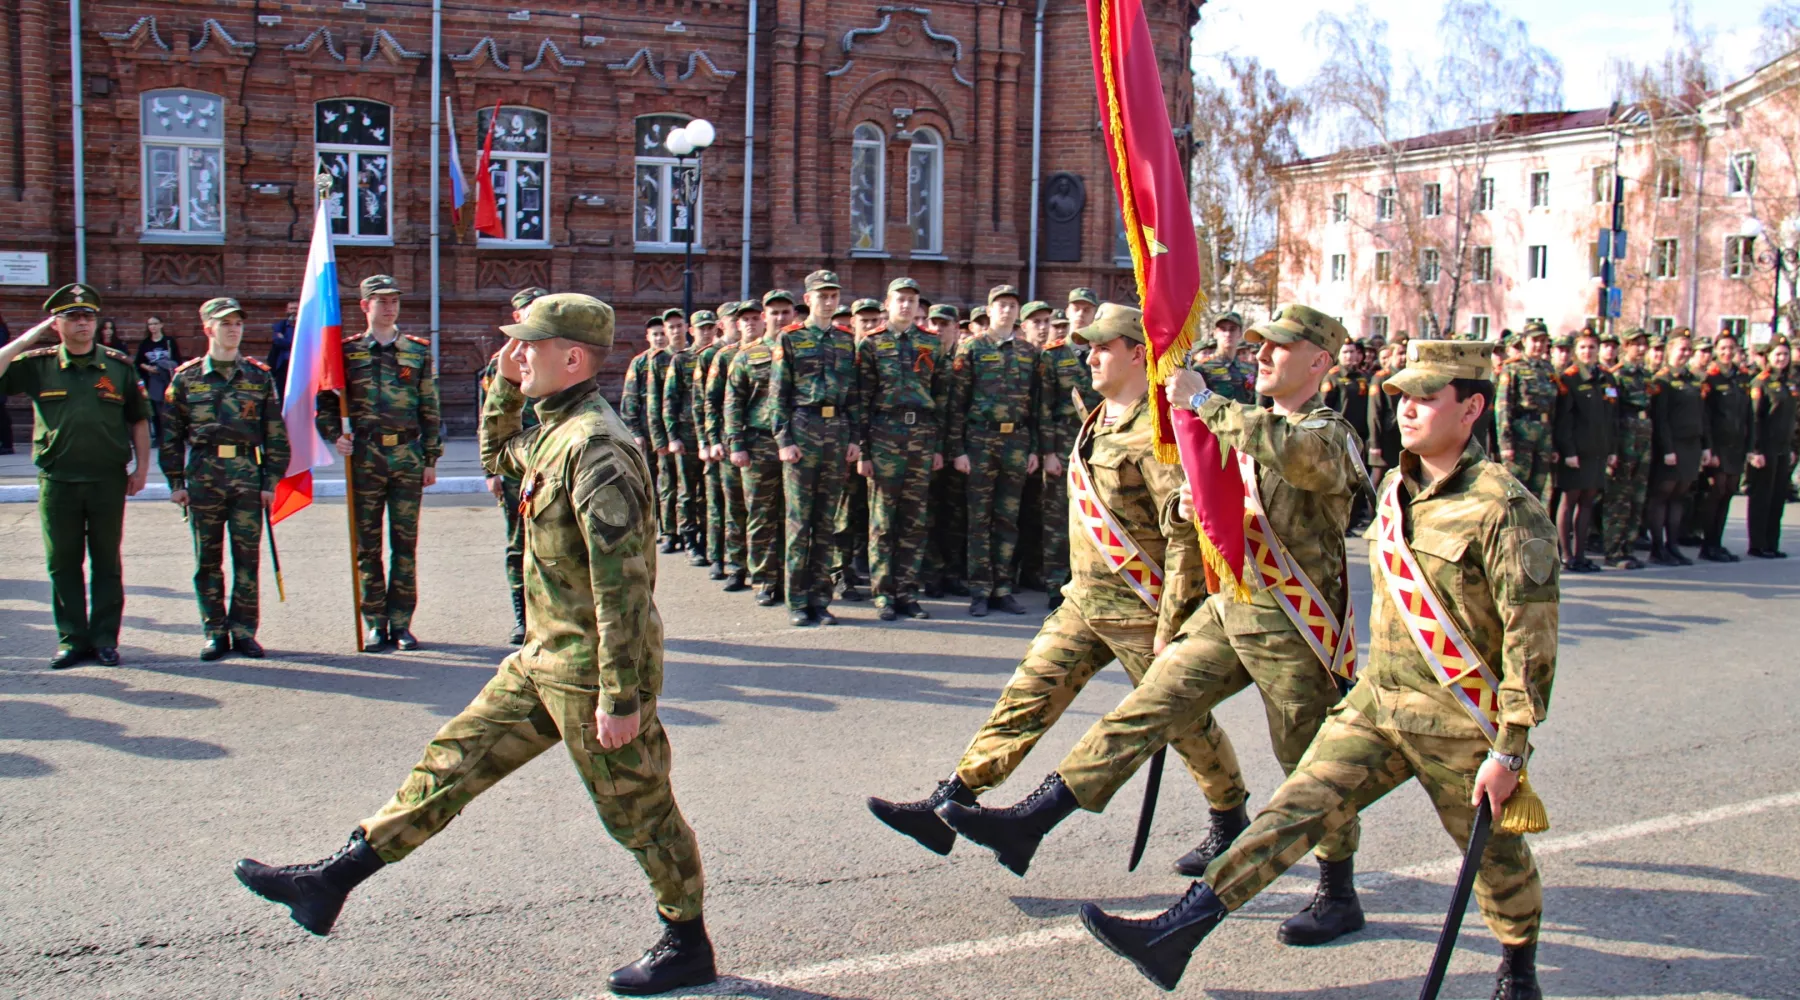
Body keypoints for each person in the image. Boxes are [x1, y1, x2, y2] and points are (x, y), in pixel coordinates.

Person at [234, 293, 715, 996]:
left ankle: (686, 939)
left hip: (590, 674)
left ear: (573, 358)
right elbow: (499, 458)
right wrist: (503, 385)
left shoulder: (597, 448)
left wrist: (621, 696)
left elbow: (625, 590)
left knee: (640, 813)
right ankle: (334, 879)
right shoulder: (552, 431)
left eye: (530, 345)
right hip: (542, 658)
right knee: (452, 760)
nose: (517, 354)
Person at [1079, 340, 1557, 1000]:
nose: (1408, 410)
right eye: (1403, 397)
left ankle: (1518, 970)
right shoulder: (1399, 488)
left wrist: (1511, 749)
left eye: (1427, 398)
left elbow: (1531, 644)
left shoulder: (1506, 508)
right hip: (1380, 704)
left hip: (1458, 719)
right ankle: (1177, 933)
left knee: (1499, 861)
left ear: (1472, 407)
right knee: (1293, 812)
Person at [938, 305, 1369, 946]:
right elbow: (1212, 516)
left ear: (1320, 364)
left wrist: (1205, 404)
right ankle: (1033, 820)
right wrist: (1188, 519)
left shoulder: (1327, 433)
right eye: (1262, 346)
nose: (1264, 356)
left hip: (1296, 628)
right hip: (1231, 609)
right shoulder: (1252, 427)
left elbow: (1299, 460)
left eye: (1281, 347)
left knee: (1306, 764)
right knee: (1144, 709)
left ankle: (1338, 889)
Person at [866, 304, 1247, 867]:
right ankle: (951, 800)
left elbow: (1187, 534)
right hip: (1085, 600)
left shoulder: (1158, 434)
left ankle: (1229, 815)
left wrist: (1175, 623)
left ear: (1137, 353)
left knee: (1184, 723)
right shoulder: (1099, 417)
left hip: (1139, 607)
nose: (1089, 355)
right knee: (1026, 697)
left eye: (1102, 347)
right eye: (1088, 347)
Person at [0, 283, 153, 668]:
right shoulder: (39, 364)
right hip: (58, 480)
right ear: (58, 324)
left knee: (106, 562)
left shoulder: (117, 366)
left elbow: (137, 419)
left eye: (88, 316)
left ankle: (104, 639)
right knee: (63, 563)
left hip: (107, 479)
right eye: (73, 317)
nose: (83, 322)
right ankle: (71, 638)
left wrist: (142, 468)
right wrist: (33, 335)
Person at [316, 275, 442, 652]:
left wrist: (430, 458)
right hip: (365, 458)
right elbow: (325, 403)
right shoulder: (346, 352)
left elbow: (429, 408)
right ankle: (375, 621)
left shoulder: (417, 352)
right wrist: (333, 434)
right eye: (381, 301)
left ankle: (401, 623)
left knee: (405, 544)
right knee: (367, 546)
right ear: (365, 306)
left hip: (406, 457)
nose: (389, 308)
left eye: (394, 301)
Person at [160, 297, 289, 660]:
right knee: (207, 560)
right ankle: (215, 631)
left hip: (247, 475)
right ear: (208, 328)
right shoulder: (186, 378)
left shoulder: (258, 376)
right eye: (225, 323)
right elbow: (170, 434)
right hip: (203, 476)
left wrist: (270, 482)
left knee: (247, 558)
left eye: (237, 323)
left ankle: (244, 630)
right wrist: (176, 483)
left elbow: (275, 433)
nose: (233, 329)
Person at [771, 271, 861, 626]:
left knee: (826, 522)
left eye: (833, 295)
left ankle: (821, 599)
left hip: (836, 432)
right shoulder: (790, 339)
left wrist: (854, 438)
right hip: (803, 429)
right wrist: (784, 440)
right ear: (807, 300)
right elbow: (778, 394)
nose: (829, 301)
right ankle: (796, 601)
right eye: (822, 295)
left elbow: (853, 395)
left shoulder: (845, 341)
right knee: (798, 523)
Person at [855, 277, 946, 621]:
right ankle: (882, 594)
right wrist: (863, 450)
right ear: (887, 304)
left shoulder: (931, 344)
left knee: (914, 519)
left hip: (921, 436)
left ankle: (907, 591)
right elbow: (861, 400)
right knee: (882, 521)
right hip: (884, 436)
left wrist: (938, 445)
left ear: (918, 304)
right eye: (899, 300)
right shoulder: (871, 344)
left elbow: (942, 396)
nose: (906, 305)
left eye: (911, 299)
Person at [948, 285, 1040, 617]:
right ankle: (979, 590)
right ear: (989, 310)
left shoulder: (1029, 353)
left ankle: (1003, 587)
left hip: (1015, 442)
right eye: (1001, 305)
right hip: (980, 442)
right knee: (979, 519)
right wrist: (957, 449)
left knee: (1008, 519)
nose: (1007, 310)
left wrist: (1034, 449)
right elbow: (956, 404)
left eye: (1012, 305)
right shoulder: (971, 348)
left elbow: (1036, 407)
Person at [478, 287, 549, 644]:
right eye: (525, 312)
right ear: (516, 317)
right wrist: (490, 471)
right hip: (513, 466)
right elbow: (488, 417)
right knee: (518, 543)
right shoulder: (501, 362)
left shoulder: (557, 355)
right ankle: (522, 616)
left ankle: (549, 615)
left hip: (550, 462)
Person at [726, 290, 794, 607]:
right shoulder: (749, 355)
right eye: (774, 313)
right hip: (759, 442)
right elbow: (733, 402)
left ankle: (791, 578)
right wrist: (736, 444)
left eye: (785, 312)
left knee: (793, 516)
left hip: (797, 442)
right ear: (764, 317)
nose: (780, 318)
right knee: (761, 515)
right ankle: (765, 580)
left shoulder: (804, 349)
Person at [1033, 300, 1088, 609]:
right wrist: (1048, 452)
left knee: (1093, 516)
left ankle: (1086, 580)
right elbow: (1044, 409)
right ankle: (1055, 583)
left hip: (1095, 443)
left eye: (1087, 309)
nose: (1081, 314)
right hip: (1062, 441)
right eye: (1076, 308)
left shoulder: (1105, 351)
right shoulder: (1053, 356)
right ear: (1067, 313)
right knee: (1057, 516)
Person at [1551, 330, 1616, 573]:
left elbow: (1612, 418)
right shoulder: (1570, 379)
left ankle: (1581, 553)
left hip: (1597, 451)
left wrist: (1611, 449)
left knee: (1588, 501)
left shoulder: (1606, 378)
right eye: (1583, 348)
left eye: (1592, 347)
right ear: (1576, 351)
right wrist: (1568, 451)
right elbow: (1564, 420)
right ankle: (1566, 555)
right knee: (1570, 500)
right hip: (1576, 451)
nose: (1588, 352)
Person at [1645, 333, 1709, 566]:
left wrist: (1706, 446)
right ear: (1670, 351)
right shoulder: (1662, 380)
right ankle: (1657, 547)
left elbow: (1702, 415)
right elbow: (1660, 419)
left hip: (1691, 445)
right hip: (1672, 446)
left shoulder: (1693, 379)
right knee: (1662, 495)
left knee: (1679, 497)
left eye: (1688, 349)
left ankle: (1673, 545)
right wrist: (1667, 449)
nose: (1685, 353)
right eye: (1681, 349)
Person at [920, 303, 969, 598]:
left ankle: (953, 572)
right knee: (928, 513)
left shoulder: (966, 359)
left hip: (962, 448)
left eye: (944, 324)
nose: (938, 329)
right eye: (933, 323)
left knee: (956, 513)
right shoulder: (923, 358)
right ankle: (932, 573)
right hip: (929, 448)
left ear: (956, 328)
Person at [657, 309, 713, 566]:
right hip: (687, 435)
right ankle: (690, 540)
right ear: (692, 331)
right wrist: (672, 436)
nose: (706, 332)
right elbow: (670, 400)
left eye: (710, 328)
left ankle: (709, 540)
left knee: (711, 493)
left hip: (712, 435)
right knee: (687, 492)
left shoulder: (718, 356)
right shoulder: (681, 360)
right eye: (701, 328)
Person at [705, 304, 753, 591]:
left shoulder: (773, 351)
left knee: (761, 510)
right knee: (733, 506)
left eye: (749, 319)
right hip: (731, 440)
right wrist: (712, 439)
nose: (743, 325)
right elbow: (710, 401)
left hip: (763, 442)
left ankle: (764, 568)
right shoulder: (723, 356)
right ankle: (735, 565)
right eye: (739, 320)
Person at [1697, 332, 1753, 561]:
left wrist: (1750, 446)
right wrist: (1708, 448)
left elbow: (1748, 415)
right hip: (1718, 447)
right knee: (1715, 493)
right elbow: (1705, 417)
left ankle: (1717, 542)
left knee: (1728, 493)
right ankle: (1707, 544)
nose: (1727, 353)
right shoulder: (1711, 379)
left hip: (1736, 447)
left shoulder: (1741, 378)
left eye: (1731, 348)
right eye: (1722, 348)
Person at [1603, 328, 1654, 569]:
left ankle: (1629, 546)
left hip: (1643, 439)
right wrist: (1613, 448)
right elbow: (1612, 414)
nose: (1641, 349)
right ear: (1626, 346)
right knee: (1620, 496)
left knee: (1638, 496)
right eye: (1636, 344)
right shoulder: (1617, 376)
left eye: (1644, 344)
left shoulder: (1645, 375)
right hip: (1626, 440)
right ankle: (1613, 549)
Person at [694, 304, 739, 579]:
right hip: (719, 438)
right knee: (717, 502)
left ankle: (737, 559)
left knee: (738, 505)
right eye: (733, 320)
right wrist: (706, 440)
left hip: (743, 439)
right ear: (722, 324)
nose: (738, 324)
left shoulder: (750, 351)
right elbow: (702, 402)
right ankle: (717, 557)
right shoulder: (711, 355)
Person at [647, 308, 691, 554]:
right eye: (670, 327)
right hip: (667, 433)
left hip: (690, 432)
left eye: (678, 325)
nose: (675, 331)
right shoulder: (658, 360)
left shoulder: (693, 356)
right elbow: (653, 404)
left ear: (686, 327)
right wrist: (659, 438)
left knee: (689, 487)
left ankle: (687, 532)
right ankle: (669, 532)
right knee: (668, 485)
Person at [1496, 322, 1557, 501]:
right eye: (1534, 340)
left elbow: (1554, 408)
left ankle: (1533, 529)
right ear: (1524, 341)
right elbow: (1503, 407)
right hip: (1521, 435)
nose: (1538, 345)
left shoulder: (1548, 369)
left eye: (1542, 340)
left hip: (1544, 435)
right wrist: (1506, 444)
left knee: (1538, 492)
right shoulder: (1513, 368)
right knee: (1516, 491)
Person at [1746, 337, 1795, 558]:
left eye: (1785, 354)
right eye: (1778, 355)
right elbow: (1756, 418)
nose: (1782, 359)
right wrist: (1755, 450)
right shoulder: (1761, 382)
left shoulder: (1789, 382)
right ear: (1768, 357)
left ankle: (1771, 543)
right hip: (1765, 448)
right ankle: (1757, 544)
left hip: (1783, 448)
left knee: (1777, 497)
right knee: (1762, 497)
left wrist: (1792, 446)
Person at [135, 315, 184, 450]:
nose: (153, 327)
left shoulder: (169, 342)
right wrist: (150, 368)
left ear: (161, 325)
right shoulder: (145, 343)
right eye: (150, 324)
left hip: (167, 379)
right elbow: (138, 363)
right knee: (155, 409)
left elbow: (177, 361)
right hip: (152, 380)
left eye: (155, 324)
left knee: (169, 408)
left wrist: (164, 367)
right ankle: (158, 436)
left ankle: (171, 435)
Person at [268, 300, 298, 393]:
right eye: (291, 308)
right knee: (282, 392)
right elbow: (277, 341)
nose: (293, 311)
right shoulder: (280, 326)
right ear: (287, 310)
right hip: (283, 365)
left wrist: (285, 340)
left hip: (300, 365)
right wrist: (295, 344)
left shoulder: (305, 326)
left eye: (296, 308)